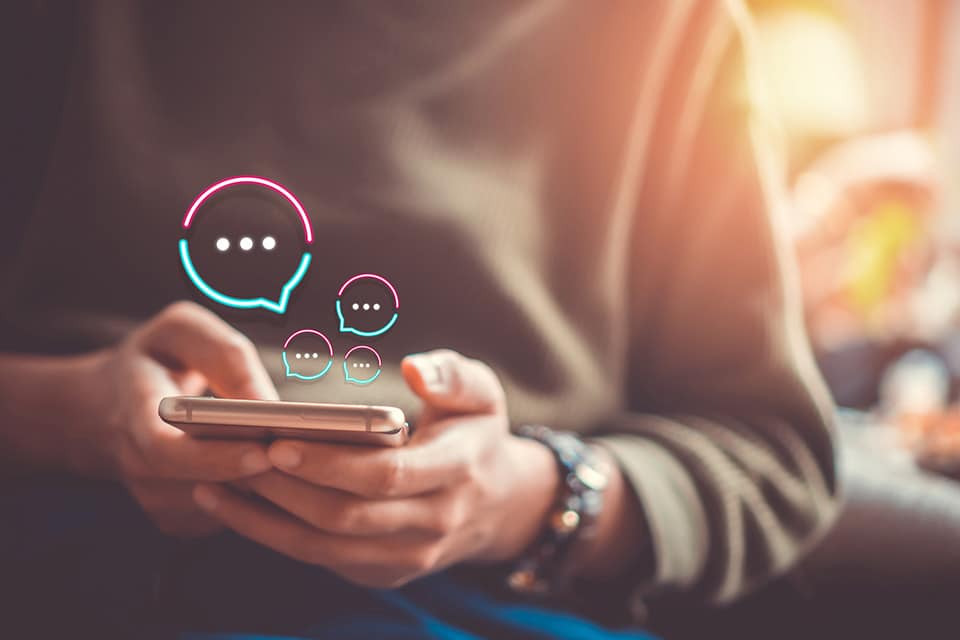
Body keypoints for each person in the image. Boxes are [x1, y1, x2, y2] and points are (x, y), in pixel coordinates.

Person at [0, 1, 838, 637]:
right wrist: (76, 414)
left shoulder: (667, 27)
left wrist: (524, 499)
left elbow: (770, 452)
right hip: (71, 554)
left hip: (480, 603)